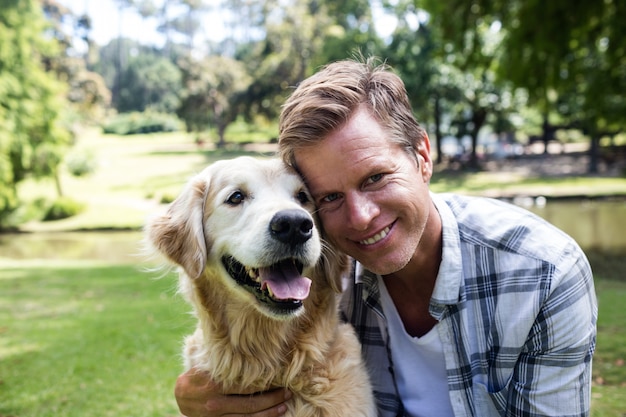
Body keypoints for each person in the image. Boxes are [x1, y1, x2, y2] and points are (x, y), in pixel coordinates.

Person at [173, 58, 597, 417]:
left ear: (423, 158)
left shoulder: (545, 274)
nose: (361, 218)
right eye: (330, 197)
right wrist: (197, 395)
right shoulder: (321, 273)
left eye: (375, 177)